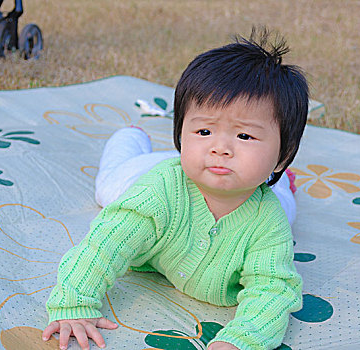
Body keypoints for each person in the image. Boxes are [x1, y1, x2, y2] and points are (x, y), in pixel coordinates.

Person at [43, 28, 309, 350]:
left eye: (244, 137)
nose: (220, 148)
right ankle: (130, 136)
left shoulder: (268, 223)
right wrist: (74, 303)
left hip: (259, 185)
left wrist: (240, 341)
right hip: (142, 173)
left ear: (283, 155)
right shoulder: (156, 192)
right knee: (108, 188)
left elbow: (273, 291)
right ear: (181, 132)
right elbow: (104, 245)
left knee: (286, 209)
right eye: (204, 130)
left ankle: (283, 182)